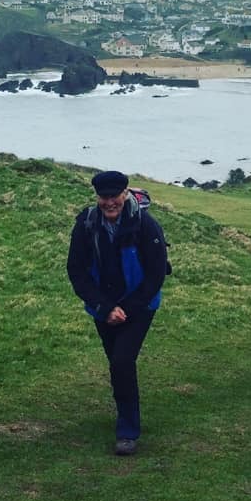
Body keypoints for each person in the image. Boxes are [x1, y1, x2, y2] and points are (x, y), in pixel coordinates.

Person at [67, 170, 169, 456]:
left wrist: (127, 308)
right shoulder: (86, 224)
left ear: (125, 194)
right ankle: (125, 410)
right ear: (97, 197)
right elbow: (76, 271)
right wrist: (104, 307)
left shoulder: (146, 225)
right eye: (104, 197)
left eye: (115, 196)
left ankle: (128, 430)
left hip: (140, 306)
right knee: (116, 362)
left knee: (123, 360)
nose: (110, 202)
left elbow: (156, 273)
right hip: (104, 307)